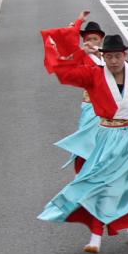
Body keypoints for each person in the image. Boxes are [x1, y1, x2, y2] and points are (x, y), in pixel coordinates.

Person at [39, 33, 128, 254]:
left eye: (117, 56)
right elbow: (62, 72)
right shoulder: (93, 74)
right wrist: (80, 53)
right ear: (103, 57)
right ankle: (95, 234)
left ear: (125, 55)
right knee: (99, 180)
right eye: (109, 57)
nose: (113, 61)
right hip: (106, 132)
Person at [40, 12, 106, 173]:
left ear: (101, 40)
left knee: (107, 142)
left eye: (95, 39)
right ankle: (83, 173)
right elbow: (66, 46)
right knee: (86, 140)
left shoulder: (109, 57)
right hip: (91, 106)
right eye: (88, 39)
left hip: (110, 106)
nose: (91, 42)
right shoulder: (82, 56)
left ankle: (104, 173)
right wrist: (77, 23)